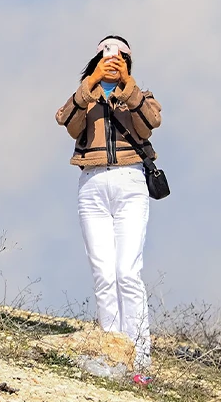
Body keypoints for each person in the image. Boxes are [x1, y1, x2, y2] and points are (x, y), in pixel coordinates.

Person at [55, 35, 162, 379]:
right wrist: (90, 84)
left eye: (119, 58)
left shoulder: (139, 97)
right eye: (105, 56)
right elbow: (66, 121)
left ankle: (140, 360)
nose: (112, 61)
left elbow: (151, 122)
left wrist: (127, 86)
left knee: (127, 272)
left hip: (131, 183)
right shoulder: (84, 97)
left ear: (129, 63)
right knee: (103, 274)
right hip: (92, 185)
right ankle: (113, 354)